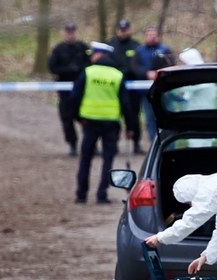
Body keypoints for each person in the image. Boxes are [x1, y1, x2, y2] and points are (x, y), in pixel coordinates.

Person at [70, 42, 132, 204]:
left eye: (93, 54)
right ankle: (102, 194)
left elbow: (74, 97)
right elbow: (126, 103)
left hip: (89, 122)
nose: (91, 56)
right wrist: (131, 127)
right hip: (111, 124)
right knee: (108, 160)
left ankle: (81, 194)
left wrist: (78, 117)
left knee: (86, 159)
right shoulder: (117, 75)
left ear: (99, 55)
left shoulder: (88, 72)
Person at [48, 23, 90, 156]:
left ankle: (90, 144)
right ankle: (72, 144)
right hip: (65, 91)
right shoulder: (58, 49)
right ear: (64, 33)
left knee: (86, 119)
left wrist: (80, 69)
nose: (70, 34)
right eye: (68, 32)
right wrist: (67, 70)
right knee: (67, 119)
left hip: (83, 91)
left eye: (72, 32)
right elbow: (52, 67)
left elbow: (90, 63)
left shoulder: (83, 47)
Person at [107, 19, 144, 154]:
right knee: (114, 117)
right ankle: (113, 143)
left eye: (125, 29)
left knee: (134, 117)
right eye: (121, 29)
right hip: (114, 87)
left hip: (132, 88)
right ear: (117, 30)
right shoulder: (110, 45)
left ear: (129, 30)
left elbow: (138, 65)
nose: (123, 32)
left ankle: (136, 143)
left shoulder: (136, 46)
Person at [133, 27, 174, 141]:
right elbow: (135, 67)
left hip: (164, 90)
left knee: (166, 116)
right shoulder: (139, 51)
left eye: (154, 35)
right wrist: (146, 73)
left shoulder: (165, 50)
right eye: (149, 35)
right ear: (145, 36)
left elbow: (172, 65)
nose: (152, 37)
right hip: (146, 91)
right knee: (150, 118)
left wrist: (160, 73)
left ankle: (169, 141)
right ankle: (154, 142)